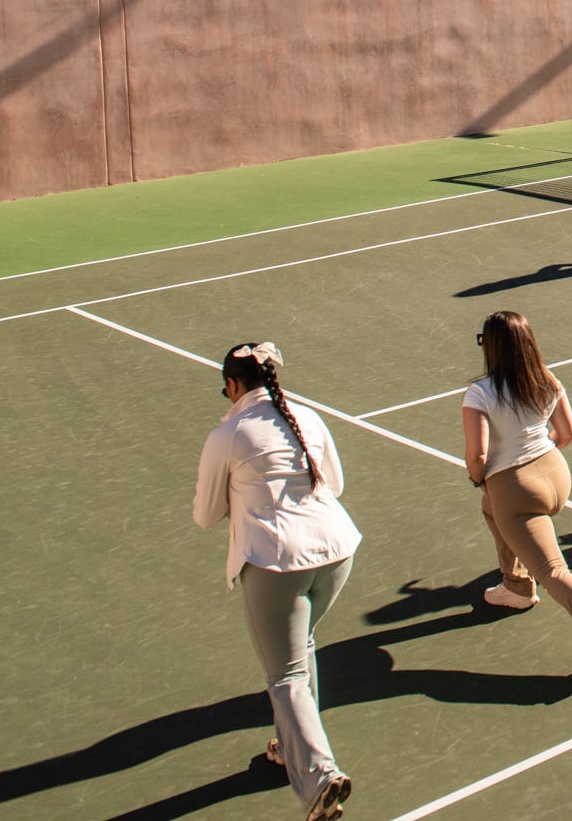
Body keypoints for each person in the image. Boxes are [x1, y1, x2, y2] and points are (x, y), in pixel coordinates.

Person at [193, 343, 359, 821]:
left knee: (284, 675)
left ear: (232, 385)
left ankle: (320, 777)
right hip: (336, 553)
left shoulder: (228, 433)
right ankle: (291, 751)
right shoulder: (309, 417)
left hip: (275, 563)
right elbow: (335, 485)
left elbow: (205, 514)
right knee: (300, 647)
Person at [462, 310, 572, 670]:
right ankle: (516, 586)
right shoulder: (546, 380)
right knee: (491, 507)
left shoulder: (480, 393)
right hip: (556, 476)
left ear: (491, 347)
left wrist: (481, 479)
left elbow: (477, 455)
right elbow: (567, 433)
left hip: (518, 491)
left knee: (553, 570)